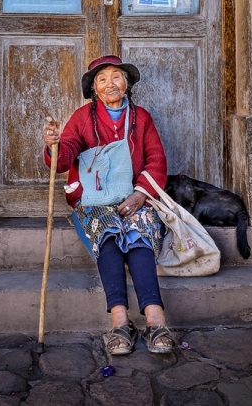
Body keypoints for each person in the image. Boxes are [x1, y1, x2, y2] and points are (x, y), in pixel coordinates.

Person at [42, 54, 174, 356]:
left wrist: (141, 194)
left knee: (140, 231)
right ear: (95, 90)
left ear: (126, 84)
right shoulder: (81, 118)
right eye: (102, 79)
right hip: (94, 202)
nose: (110, 83)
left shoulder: (141, 118)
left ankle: (156, 321)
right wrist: (54, 145)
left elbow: (156, 159)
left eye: (116, 77)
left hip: (134, 196)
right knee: (108, 232)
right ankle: (120, 323)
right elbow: (65, 159)